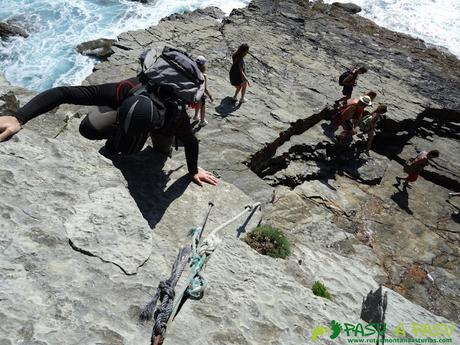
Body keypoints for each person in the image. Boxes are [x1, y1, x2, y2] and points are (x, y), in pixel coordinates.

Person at [0, 78, 218, 187]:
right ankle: (118, 130)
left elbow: (191, 141)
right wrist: (19, 117)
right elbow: (64, 92)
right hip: (129, 106)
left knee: (159, 153)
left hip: (161, 125)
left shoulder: (175, 117)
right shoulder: (124, 89)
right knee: (88, 128)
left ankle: (147, 139)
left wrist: (192, 171)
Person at [193, 56, 214, 127]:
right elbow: (205, 89)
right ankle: (202, 121)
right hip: (201, 94)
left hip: (195, 93)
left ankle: (196, 116)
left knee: (197, 105)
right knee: (202, 107)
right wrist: (210, 96)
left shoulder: (193, 72)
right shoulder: (203, 75)